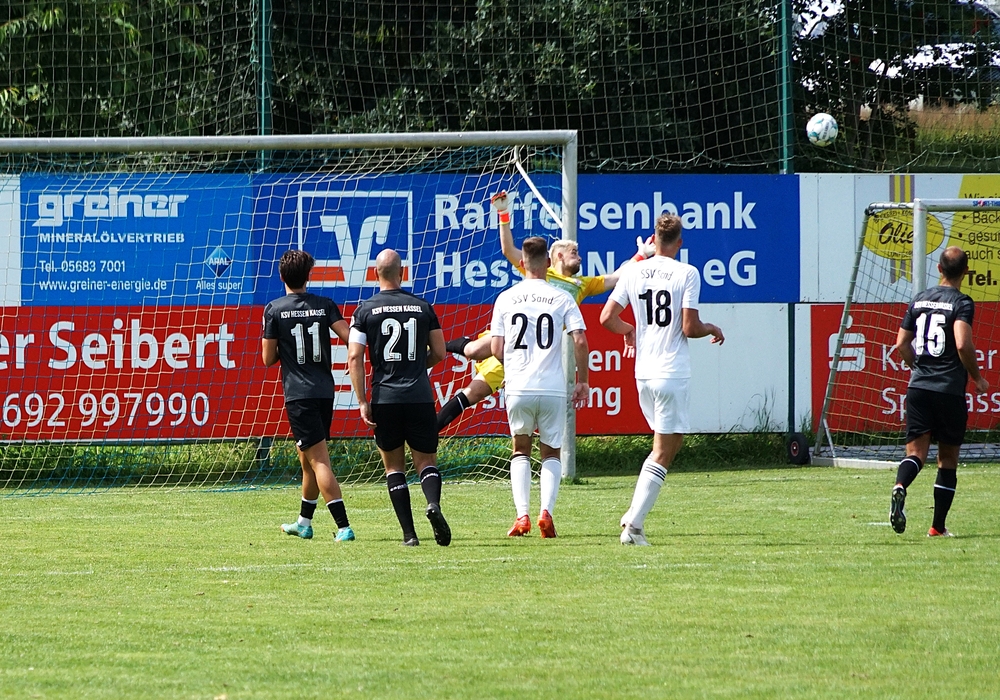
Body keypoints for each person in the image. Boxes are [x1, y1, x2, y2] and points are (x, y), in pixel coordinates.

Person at [437, 190, 653, 432]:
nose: (580, 258)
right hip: (512, 338)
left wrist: (641, 255)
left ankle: (429, 433)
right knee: (474, 350)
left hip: (530, 355)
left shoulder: (582, 285)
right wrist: (503, 213)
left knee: (472, 393)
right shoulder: (539, 270)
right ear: (558, 256)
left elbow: (616, 277)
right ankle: (435, 346)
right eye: (574, 253)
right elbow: (508, 250)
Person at [600, 213, 724, 546]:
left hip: (643, 373)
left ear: (653, 240)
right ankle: (634, 526)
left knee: (672, 442)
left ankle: (632, 513)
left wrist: (630, 331)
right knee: (662, 451)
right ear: (679, 242)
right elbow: (689, 327)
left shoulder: (634, 271)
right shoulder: (687, 273)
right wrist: (711, 328)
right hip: (671, 371)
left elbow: (607, 318)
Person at [347, 249, 451, 547]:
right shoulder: (423, 307)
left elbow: (354, 356)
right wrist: (418, 365)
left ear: (375, 273)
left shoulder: (364, 310)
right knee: (426, 461)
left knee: (394, 467)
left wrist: (362, 401)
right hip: (419, 395)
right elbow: (440, 352)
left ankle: (409, 535)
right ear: (402, 273)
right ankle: (433, 504)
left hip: (385, 397)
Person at [490, 236, 590, 538]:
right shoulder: (562, 297)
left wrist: (512, 367)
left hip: (519, 385)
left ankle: (522, 516)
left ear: (522, 263)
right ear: (548, 263)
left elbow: (496, 348)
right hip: (552, 387)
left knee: (520, 449)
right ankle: (546, 512)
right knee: (551, 452)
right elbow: (580, 340)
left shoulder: (506, 298)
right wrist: (583, 380)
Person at [889, 246, 989, 537]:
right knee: (947, 458)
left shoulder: (919, 299)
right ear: (966, 272)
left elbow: (901, 344)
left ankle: (900, 485)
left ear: (938, 268)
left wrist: (917, 367)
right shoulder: (962, 302)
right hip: (948, 389)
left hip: (919, 387)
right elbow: (962, 343)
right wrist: (977, 377)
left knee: (916, 453)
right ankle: (937, 527)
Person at [262, 249, 355, 543]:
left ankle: (343, 526)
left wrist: (287, 347)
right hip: (324, 391)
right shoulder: (324, 305)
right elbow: (350, 337)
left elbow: (267, 358)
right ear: (309, 276)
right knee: (307, 459)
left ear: (281, 276)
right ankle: (304, 523)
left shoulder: (274, 309)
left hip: (299, 395)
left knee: (318, 460)